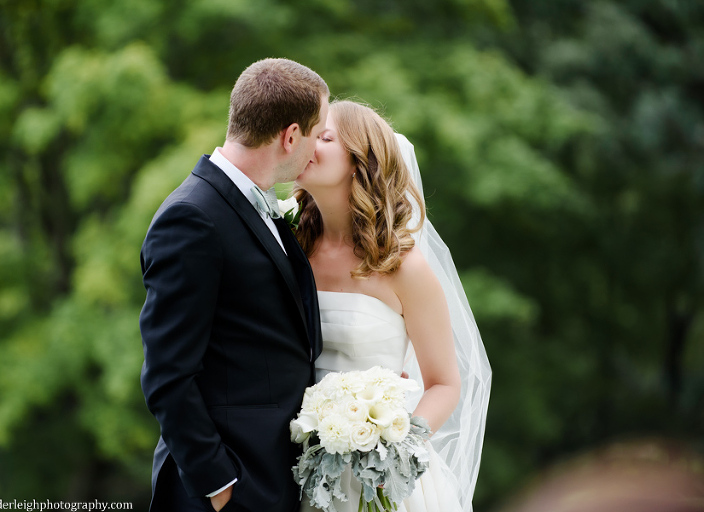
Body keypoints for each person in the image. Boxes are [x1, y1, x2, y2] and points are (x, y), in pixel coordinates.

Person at [139, 58, 329, 512]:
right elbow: (167, 376)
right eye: (317, 134)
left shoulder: (261, 204)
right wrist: (221, 485)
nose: (316, 150)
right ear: (289, 136)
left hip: (274, 477)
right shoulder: (191, 218)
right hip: (228, 489)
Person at [293, 100, 491, 512]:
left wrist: (395, 446)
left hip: (379, 480)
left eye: (324, 137)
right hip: (292, 467)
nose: (306, 143)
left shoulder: (403, 267)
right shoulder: (289, 247)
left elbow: (444, 383)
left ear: (359, 163)